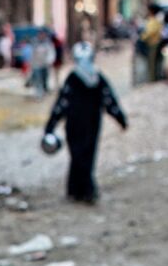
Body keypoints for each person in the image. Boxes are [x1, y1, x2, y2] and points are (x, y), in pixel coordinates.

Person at [44, 41, 128, 203]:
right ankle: (83, 190)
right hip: (91, 123)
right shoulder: (95, 78)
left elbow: (61, 103)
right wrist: (120, 119)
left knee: (78, 155)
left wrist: (51, 125)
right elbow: (109, 101)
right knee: (86, 155)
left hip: (76, 124)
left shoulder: (73, 79)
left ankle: (79, 190)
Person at [26, 29, 55, 97]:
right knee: (38, 79)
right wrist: (30, 62)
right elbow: (30, 53)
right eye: (40, 34)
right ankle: (39, 93)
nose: (41, 36)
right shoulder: (34, 42)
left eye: (43, 34)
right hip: (36, 65)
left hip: (45, 64)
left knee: (45, 78)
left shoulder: (48, 43)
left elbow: (51, 53)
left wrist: (50, 60)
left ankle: (45, 90)